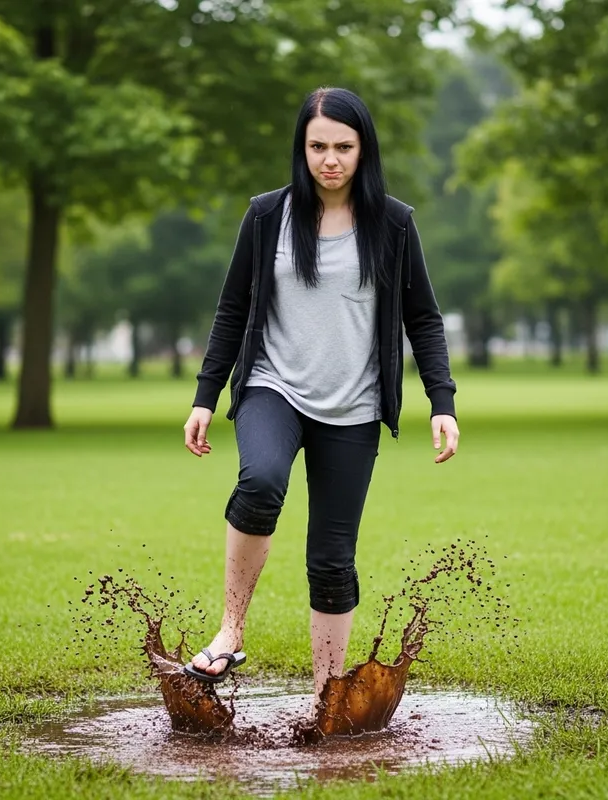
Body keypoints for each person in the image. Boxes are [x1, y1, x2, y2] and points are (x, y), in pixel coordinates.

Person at [182, 87, 459, 707]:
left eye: (343, 146)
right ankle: (230, 630)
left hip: (354, 408)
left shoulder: (393, 223)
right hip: (272, 386)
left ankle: (325, 697)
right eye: (317, 146)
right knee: (260, 482)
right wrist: (205, 395)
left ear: (363, 150)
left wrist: (442, 402)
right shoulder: (265, 217)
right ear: (301, 148)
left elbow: (425, 319)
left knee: (332, 561)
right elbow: (232, 309)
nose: (329, 159)